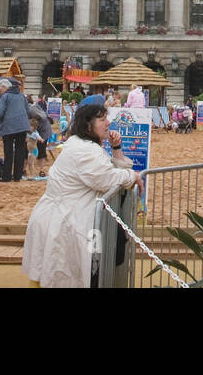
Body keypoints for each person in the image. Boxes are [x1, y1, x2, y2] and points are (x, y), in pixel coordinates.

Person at [21, 103, 143, 287]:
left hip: (66, 218)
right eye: (102, 120)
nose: (108, 123)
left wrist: (116, 147)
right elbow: (107, 179)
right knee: (61, 276)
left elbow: (109, 172)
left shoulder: (83, 145)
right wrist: (132, 176)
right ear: (88, 125)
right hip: (64, 221)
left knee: (58, 275)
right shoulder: (84, 150)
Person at [0, 78, 33, 182]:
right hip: (22, 127)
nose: (0, 91)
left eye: (0, 89)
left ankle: (7, 176)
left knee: (8, 152)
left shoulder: (5, 97)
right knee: (20, 151)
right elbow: (28, 110)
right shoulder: (21, 95)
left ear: (4, 87)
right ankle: (17, 176)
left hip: (9, 127)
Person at [27, 101, 53, 176]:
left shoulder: (31, 109)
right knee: (30, 153)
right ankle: (25, 170)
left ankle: (41, 170)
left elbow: (43, 116)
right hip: (36, 131)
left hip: (43, 130)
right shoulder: (32, 108)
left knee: (41, 151)